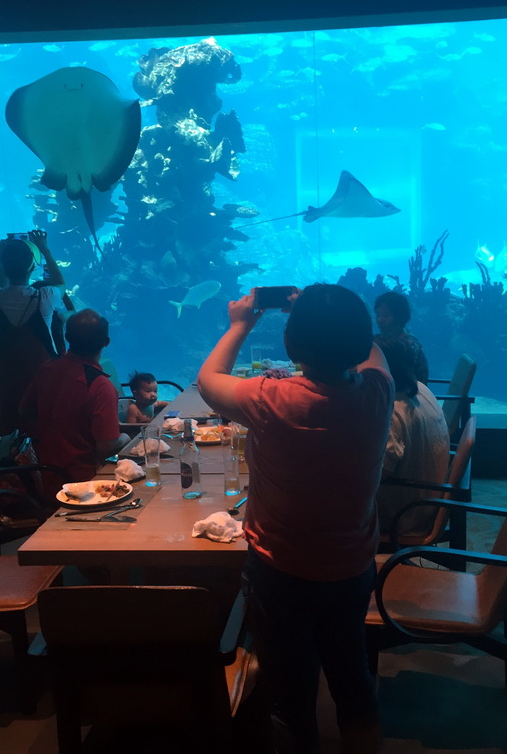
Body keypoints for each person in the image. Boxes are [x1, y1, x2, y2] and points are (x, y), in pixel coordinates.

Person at [197, 284, 393, 754]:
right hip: (350, 568)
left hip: (279, 569)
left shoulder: (268, 399)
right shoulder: (378, 393)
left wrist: (241, 324)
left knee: (289, 695)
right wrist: (328, 315)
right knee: (352, 679)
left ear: (290, 344)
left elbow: (208, 379)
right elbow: (374, 354)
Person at [20, 309, 128, 498]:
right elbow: (107, 445)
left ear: (67, 337)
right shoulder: (101, 387)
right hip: (84, 483)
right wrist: (126, 438)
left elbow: (25, 411)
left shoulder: (47, 369)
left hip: (44, 475)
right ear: (106, 342)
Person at [0, 231, 63, 433]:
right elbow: (60, 282)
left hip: (5, 374)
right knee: (42, 424)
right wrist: (44, 249)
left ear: (3, 266)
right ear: (31, 267)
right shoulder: (44, 296)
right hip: (40, 373)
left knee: (10, 425)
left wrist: (2, 253)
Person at [376, 338, 451, 538]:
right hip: (427, 500)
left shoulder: (392, 412)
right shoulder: (420, 389)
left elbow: (374, 475)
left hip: (404, 516)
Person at [374, 290, 429, 384]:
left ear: (399, 316)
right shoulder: (386, 339)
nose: (379, 320)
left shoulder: (408, 345)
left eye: (386, 315)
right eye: (378, 315)